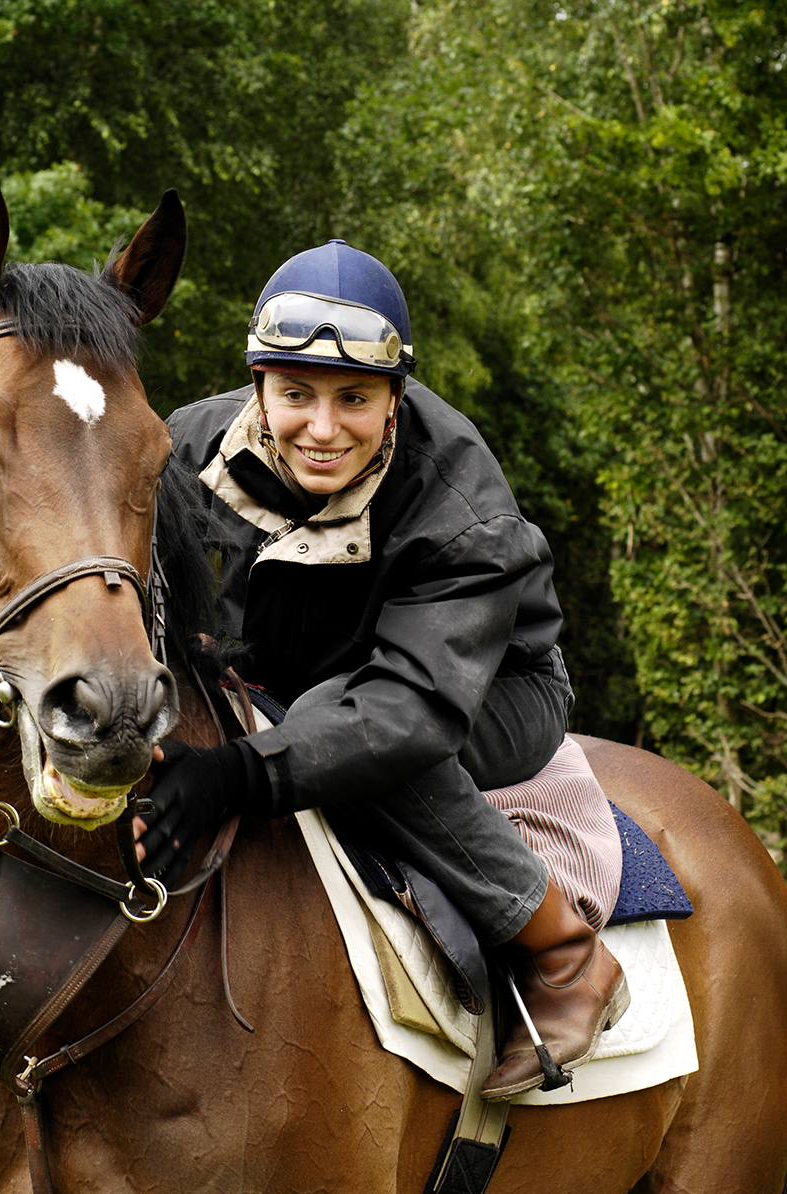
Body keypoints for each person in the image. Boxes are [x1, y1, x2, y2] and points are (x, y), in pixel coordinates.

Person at [136, 239, 628, 1100]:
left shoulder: (458, 498)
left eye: (355, 398)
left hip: (487, 690)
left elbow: (406, 711)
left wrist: (233, 774)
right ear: (258, 385)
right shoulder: (189, 446)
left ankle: (564, 954)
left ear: (394, 396)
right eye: (295, 394)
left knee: (339, 719)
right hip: (304, 673)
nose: (322, 429)